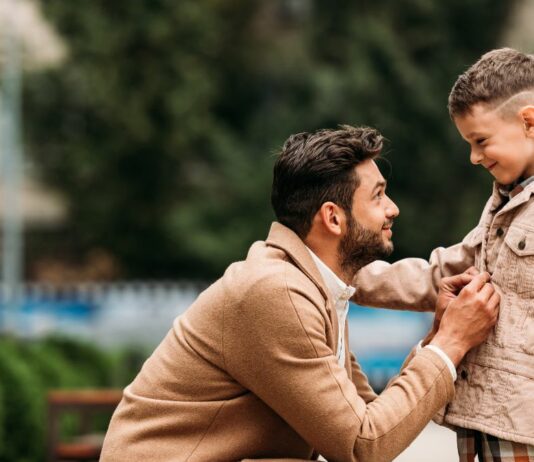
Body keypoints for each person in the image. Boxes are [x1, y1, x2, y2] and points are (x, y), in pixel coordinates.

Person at [101, 125, 499, 462]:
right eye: (377, 196)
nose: (392, 209)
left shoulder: (313, 286)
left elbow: (369, 418)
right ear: (332, 217)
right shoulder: (277, 293)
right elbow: (364, 446)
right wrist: (451, 344)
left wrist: (440, 336)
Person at [353, 48, 534, 461]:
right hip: (483, 416)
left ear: (529, 122)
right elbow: (440, 273)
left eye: (481, 141)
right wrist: (342, 274)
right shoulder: (503, 206)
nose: (474, 157)